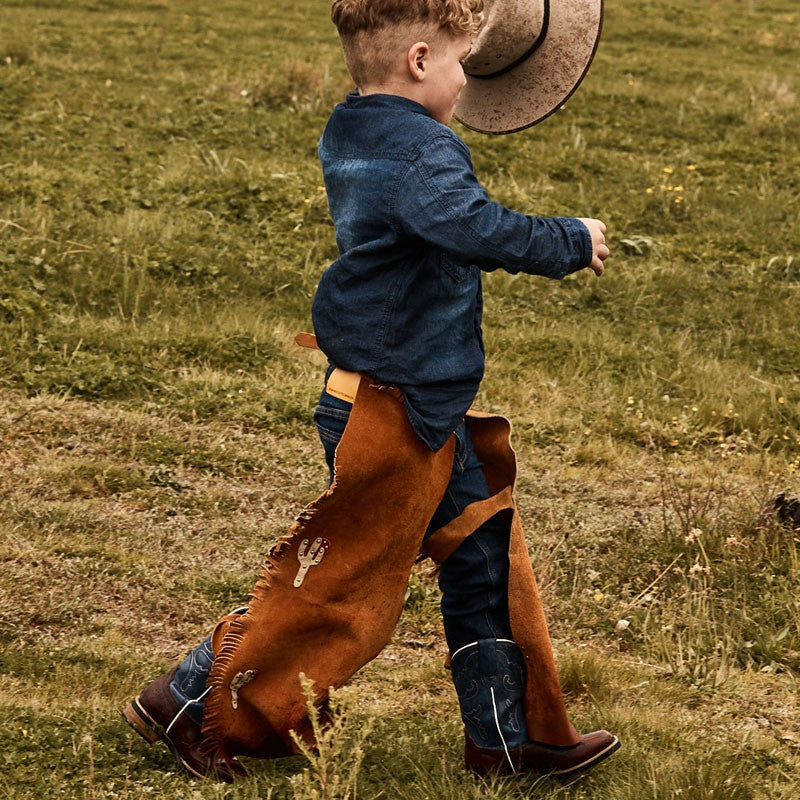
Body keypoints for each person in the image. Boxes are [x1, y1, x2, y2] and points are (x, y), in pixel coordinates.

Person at [123, 0, 620, 782]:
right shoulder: (423, 151)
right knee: (339, 583)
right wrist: (568, 238)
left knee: (483, 553)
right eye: (461, 63)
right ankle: (187, 699)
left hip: (420, 401)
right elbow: (473, 226)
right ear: (420, 61)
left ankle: (508, 737)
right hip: (391, 409)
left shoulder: (352, 127)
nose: (465, 81)